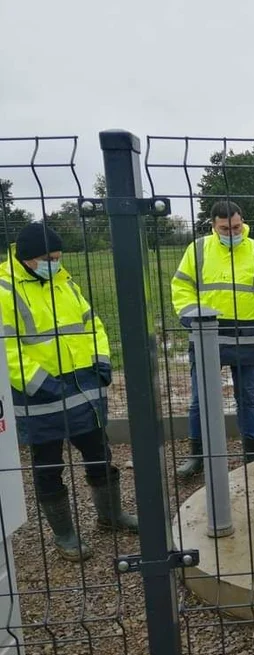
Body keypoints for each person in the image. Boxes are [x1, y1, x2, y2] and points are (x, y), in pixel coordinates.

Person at [1, 222, 137, 561]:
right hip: (39, 396)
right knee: (48, 466)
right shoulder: (4, 290)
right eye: (49, 258)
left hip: (82, 387)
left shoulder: (65, 283)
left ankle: (111, 516)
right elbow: (6, 350)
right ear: (28, 258)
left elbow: (93, 324)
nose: (56, 263)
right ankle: (64, 535)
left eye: (59, 257)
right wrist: (40, 383)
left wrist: (101, 360)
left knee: (99, 454)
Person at [171, 201, 254, 478]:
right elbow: (181, 286)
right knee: (199, 399)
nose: (232, 232)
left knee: (247, 397)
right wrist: (191, 316)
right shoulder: (198, 249)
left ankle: (252, 453)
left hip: (248, 335)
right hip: (206, 335)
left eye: (236, 227)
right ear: (213, 225)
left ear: (243, 222)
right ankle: (197, 455)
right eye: (225, 228)